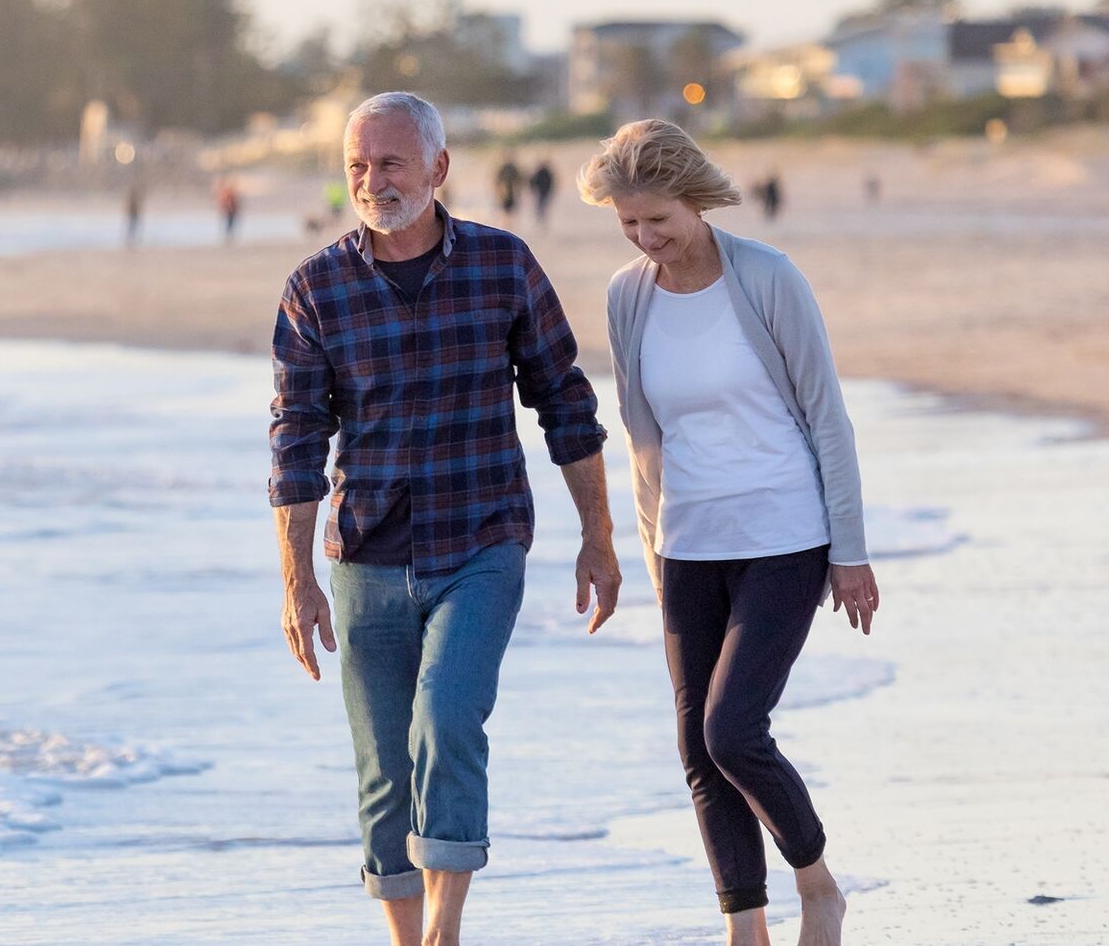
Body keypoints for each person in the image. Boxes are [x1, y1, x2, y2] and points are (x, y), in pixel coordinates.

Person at [271, 92, 620, 946]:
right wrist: (297, 579)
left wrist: (599, 535)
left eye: (389, 163)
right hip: (365, 553)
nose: (372, 181)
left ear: (438, 167)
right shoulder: (316, 287)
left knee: (447, 716)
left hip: (481, 541)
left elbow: (565, 402)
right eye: (357, 166)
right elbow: (295, 439)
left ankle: (444, 933)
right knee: (384, 765)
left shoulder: (503, 266)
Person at [580, 119, 879, 946]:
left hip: (785, 533)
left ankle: (818, 885)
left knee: (733, 730)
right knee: (696, 747)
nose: (646, 238)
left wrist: (850, 550)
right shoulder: (627, 295)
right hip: (688, 543)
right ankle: (745, 928)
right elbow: (641, 434)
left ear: (696, 200)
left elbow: (826, 415)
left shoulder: (767, 277)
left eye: (659, 220)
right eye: (629, 223)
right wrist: (650, 550)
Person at [528, 159, 557, 228]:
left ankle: (540, 221)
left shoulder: (541, 172)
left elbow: (533, 182)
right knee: (542, 207)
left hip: (542, 192)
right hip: (543, 192)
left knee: (541, 207)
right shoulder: (545, 173)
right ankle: (540, 221)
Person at [494, 156, 522, 222]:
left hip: (510, 191)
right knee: (507, 208)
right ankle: (507, 221)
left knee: (509, 208)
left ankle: (508, 221)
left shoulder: (509, 168)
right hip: (506, 191)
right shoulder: (509, 168)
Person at [217, 177, 242, 244]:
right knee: (229, 224)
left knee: (230, 224)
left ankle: (229, 236)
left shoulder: (228, 193)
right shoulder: (227, 193)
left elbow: (233, 202)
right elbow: (227, 203)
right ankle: (228, 236)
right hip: (229, 211)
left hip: (231, 211)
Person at [124, 182, 144, 248]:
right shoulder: (132, 200)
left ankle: (132, 241)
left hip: (134, 215)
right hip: (132, 215)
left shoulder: (133, 200)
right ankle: (130, 241)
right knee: (131, 229)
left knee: (133, 229)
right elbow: (130, 208)